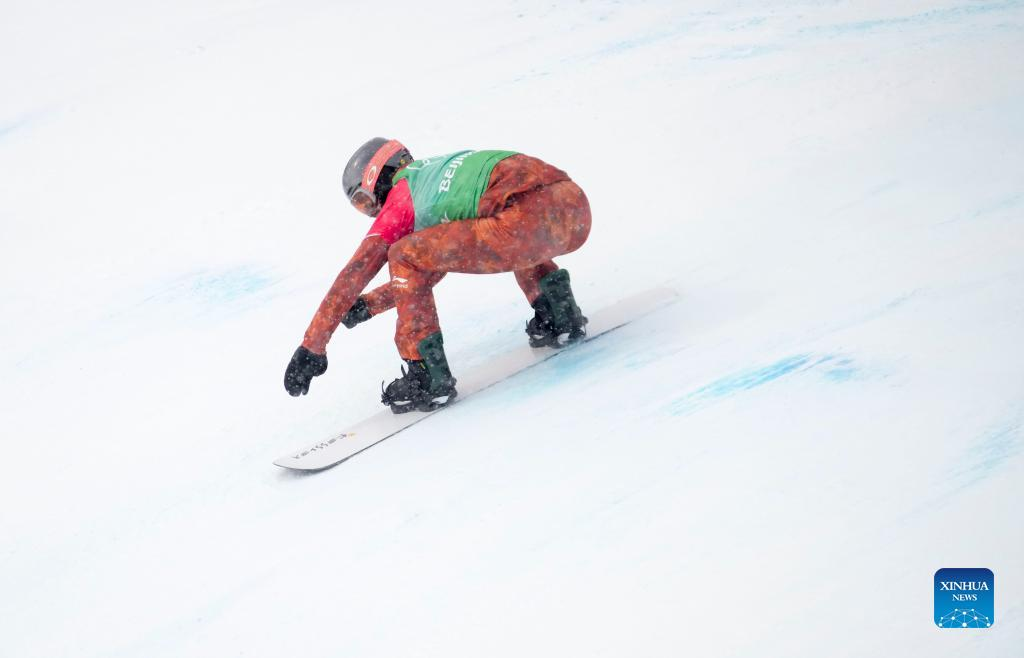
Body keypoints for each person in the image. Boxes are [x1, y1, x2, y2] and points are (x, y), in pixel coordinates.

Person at [283, 138, 591, 413]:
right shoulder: (435, 176)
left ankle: (427, 376)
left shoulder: (403, 199)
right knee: (503, 215)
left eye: (364, 201)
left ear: (377, 178)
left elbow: (355, 272)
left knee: (402, 254)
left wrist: (313, 347)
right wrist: (369, 305)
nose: (372, 211)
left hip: (521, 225)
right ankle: (558, 311)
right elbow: (445, 255)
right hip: (573, 207)